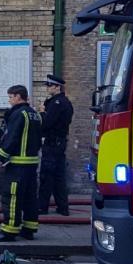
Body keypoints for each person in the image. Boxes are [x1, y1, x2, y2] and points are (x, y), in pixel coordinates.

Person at [0, 84, 43, 242]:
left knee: (12, 196)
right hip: (31, 163)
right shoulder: (34, 114)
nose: (9, 100)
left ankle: (9, 230)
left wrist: (1, 156)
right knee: (30, 198)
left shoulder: (19, 114)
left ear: (18, 96)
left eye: (11, 97)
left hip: (18, 164)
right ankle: (29, 229)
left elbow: (11, 137)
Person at [39, 74, 74, 216]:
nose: (47, 88)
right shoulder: (65, 102)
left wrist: (42, 113)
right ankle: (63, 207)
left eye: (49, 86)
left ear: (57, 87)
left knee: (47, 176)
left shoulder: (57, 103)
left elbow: (47, 123)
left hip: (52, 143)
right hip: (60, 142)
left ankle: (42, 206)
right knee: (59, 176)